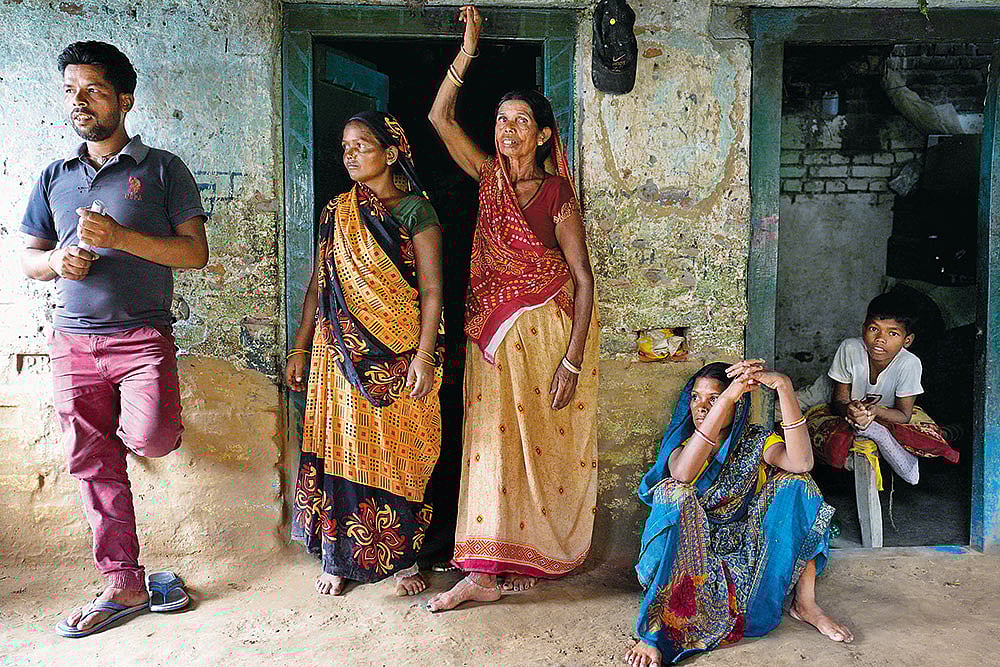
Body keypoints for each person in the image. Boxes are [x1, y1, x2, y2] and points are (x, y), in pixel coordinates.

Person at [19, 41, 208, 638]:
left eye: (94, 90)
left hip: (142, 336)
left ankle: (119, 453)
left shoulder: (162, 169)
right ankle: (124, 581)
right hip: (73, 341)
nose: (80, 102)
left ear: (124, 99)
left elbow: (194, 254)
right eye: (71, 90)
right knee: (93, 463)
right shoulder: (54, 176)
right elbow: (30, 258)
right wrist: (61, 262)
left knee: (150, 437)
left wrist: (122, 239)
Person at [426, 5, 599, 611]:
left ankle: (517, 561)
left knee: (534, 451)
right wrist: (468, 49)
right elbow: (438, 116)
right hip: (489, 337)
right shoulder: (487, 177)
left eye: (521, 120)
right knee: (487, 446)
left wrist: (572, 361)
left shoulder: (556, 194)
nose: (508, 129)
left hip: (546, 339)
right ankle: (482, 569)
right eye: (501, 120)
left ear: (544, 134)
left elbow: (581, 278)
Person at [287, 111, 444, 598]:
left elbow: (432, 290)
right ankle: (339, 558)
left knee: (402, 451)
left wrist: (421, 355)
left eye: (362, 145)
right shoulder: (337, 211)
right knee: (343, 447)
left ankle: (404, 558)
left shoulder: (417, 211)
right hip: (340, 356)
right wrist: (301, 344)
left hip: (398, 354)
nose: (350, 153)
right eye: (345, 145)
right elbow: (319, 282)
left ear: (391, 152)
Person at [625, 361, 853, 666]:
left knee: (799, 485)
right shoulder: (681, 446)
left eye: (713, 399)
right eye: (696, 398)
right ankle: (658, 630)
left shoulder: (755, 441)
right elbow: (682, 474)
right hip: (689, 560)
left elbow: (801, 462)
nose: (701, 407)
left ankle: (806, 604)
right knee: (672, 492)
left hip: (744, 554)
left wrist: (783, 385)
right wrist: (726, 399)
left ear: (738, 404)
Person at [798, 292, 959, 486]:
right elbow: (839, 400)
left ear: (907, 340)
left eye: (893, 333)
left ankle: (875, 431)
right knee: (786, 408)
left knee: (918, 432)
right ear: (864, 329)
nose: (880, 339)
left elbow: (904, 415)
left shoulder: (910, 363)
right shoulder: (850, 348)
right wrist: (848, 409)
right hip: (828, 390)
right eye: (874, 329)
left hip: (878, 407)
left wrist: (875, 412)